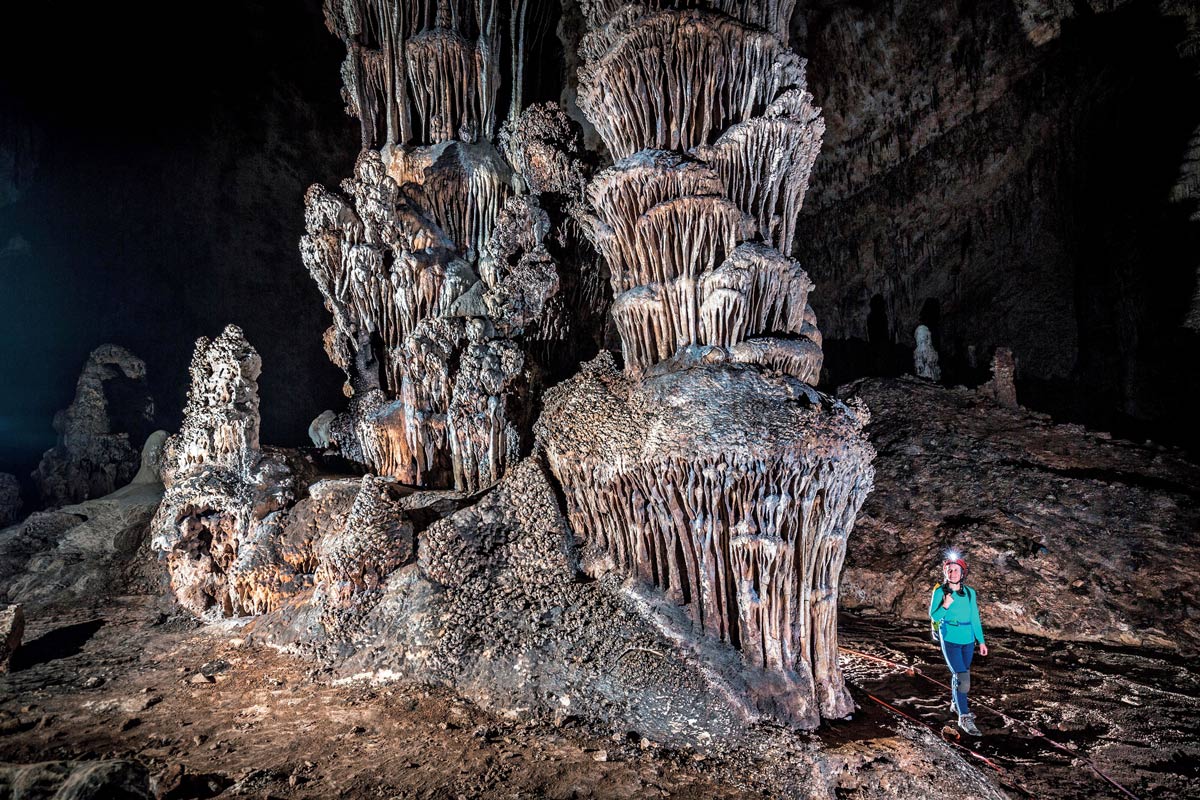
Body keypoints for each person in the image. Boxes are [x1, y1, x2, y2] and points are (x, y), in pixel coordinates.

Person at [929, 553, 988, 736]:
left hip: (968, 638)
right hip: (950, 637)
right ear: (945, 572)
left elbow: (975, 618)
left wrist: (981, 641)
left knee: (963, 672)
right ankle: (964, 716)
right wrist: (945, 605)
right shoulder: (941, 592)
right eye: (949, 569)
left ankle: (956, 702)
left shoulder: (970, 593)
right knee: (962, 676)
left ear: (962, 573)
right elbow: (935, 616)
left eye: (956, 570)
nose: (953, 572)